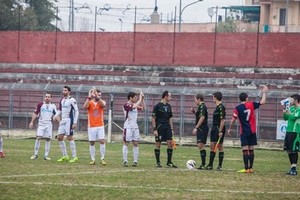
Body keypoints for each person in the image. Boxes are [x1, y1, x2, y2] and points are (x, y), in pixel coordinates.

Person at [228, 85, 268, 173]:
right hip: (252, 130)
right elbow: (263, 102)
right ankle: (251, 168)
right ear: (246, 98)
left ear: (240, 99)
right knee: (251, 149)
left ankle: (246, 168)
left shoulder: (237, 108)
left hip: (244, 131)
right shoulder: (251, 104)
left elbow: (233, 120)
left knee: (245, 149)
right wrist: (264, 92)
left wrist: (230, 128)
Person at [29, 93, 58, 160]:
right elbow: (35, 113)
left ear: (51, 98)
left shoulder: (53, 106)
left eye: (48, 97)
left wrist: (59, 122)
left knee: (48, 139)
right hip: (41, 124)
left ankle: (46, 156)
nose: (47, 98)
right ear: (44, 97)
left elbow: (56, 115)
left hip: (49, 124)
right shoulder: (40, 104)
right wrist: (31, 122)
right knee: (38, 137)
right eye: (46, 97)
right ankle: (35, 154)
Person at [54, 86, 79, 163]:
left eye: (65, 90)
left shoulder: (72, 100)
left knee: (69, 137)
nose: (64, 91)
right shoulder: (62, 100)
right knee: (59, 137)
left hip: (69, 120)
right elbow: (60, 110)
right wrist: (55, 115)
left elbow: (77, 111)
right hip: (63, 120)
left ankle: (74, 156)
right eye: (63, 90)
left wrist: (75, 122)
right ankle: (65, 155)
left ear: (69, 92)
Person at [152, 90, 177, 168]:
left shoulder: (169, 106)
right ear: (165, 96)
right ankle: (158, 162)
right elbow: (153, 118)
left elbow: (170, 118)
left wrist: (172, 129)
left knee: (170, 143)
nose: (171, 98)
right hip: (160, 127)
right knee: (158, 144)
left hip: (167, 127)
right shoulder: (157, 106)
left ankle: (169, 162)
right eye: (170, 96)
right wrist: (155, 129)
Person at [83, 87, 107, 165]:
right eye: (98, 95)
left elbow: (103, 105)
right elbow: (84, 107)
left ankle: (102, 158)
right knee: (92, 142)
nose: (99, 96)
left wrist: (97, 97)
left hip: (100, 125)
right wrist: (89, 96)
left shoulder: (102, 101)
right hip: (91, 125)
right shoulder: (90, 102)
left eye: (100, 95)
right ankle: (92, 159)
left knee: (102, 141)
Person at [122, 91, 144, 167]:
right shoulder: (126, 105)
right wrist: (140, 99)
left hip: (135, 127)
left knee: (136, 143)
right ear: (130, 98)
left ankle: (135, 161)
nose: (136, 98)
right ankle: (125, 160)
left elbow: (143, 108)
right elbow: (134, 107)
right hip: (128, 127)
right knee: (126, 143)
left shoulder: (135, 105)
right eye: (135, 97)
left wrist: (142, 99)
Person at [205, 91, 226, 171]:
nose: (212, 98)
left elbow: (222, 120)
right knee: (212, 145)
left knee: (219, 146)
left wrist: (220, 131)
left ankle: (220, 166)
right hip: (214, 128)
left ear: (216, 97)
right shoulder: (217, 107)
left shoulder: (221, 107)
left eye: (213, 97)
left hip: (218, 128)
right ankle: (210, 165)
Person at [282, 94, 300, 175]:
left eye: (291, 100)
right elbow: (286, 118)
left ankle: (294, 168)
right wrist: (285, 112)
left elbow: (293, 117)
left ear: (296, 100)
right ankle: (292, 167)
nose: (290, 101)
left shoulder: (299, 109)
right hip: (288, 131)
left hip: (295, 131)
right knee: (288, 150)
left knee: (294, 150)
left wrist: (288, 112)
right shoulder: (291, 108)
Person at [191, 94, 209, 170]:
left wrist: (196, 127)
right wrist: (194, 112)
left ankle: (203, 164)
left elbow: (202, 117)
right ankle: (203, 164)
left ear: (199, 99)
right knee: (200, 145)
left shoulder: (202, 106)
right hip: (201, 128)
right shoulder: (200, 107)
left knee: (200, 145)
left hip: (202, 128)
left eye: (195, 99)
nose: (195, 101)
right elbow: (199, 116)